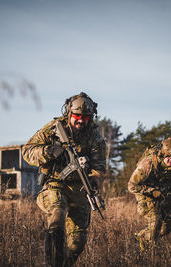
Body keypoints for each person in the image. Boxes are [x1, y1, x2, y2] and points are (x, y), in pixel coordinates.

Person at [22, 92, 106, 266]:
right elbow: (27, 151)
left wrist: (93, 183)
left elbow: (99, 169)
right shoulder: (54, 128)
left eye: (86, 117)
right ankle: (52, 262)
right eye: (77, 116)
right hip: (55, 184)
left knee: (77, 243)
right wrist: (49, 151)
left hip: (79, 188)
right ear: (69, 113)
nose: (81, 121)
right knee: (57, 217)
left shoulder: (94, 136)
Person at [128, 137, 171, 250]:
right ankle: (149, 254)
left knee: (165, 229)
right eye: (168, 157)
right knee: (156, 222)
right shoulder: (148, 163)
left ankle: (141, 236)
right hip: (146, 194)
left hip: (164, 194)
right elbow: (132, 186)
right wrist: (152, 191)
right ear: (162, 155)